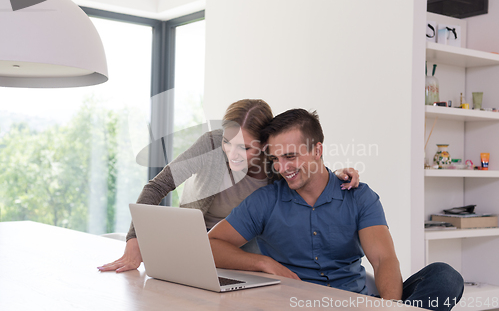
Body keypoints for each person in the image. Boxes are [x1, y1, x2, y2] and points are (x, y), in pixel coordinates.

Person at [208, 109, 464, 311]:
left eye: (290, 156)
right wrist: (264, 262)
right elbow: (211, 244)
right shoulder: (265, 201)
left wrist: (390, 307)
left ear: (317, 150)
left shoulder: (359, 196)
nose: (282, 168)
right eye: (276, 159)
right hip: (295, 305)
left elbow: (383, 259)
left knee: (445, 277)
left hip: (357, 302)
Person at [98, 99, 360, 273]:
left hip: (246, 245)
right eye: (228, 142)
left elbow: (303, 169)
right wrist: (134, 240)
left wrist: (334, 174)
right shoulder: (211, 145)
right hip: (196, 239)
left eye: (245, 147)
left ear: (265, 146)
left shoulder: (276, 167)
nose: (232, 154)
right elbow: (157, 187)